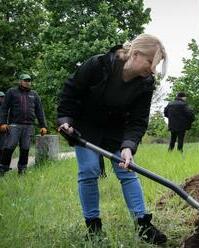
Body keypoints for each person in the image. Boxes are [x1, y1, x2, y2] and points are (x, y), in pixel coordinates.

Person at [57, 34, 168, 244]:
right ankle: (94, 227)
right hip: (86, 127)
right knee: (89, 170)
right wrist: (65, 119)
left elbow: (138, 120)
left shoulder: (146, 83)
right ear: (135, 54)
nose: (152, 69)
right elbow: (70, 92)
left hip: (117, 131)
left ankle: (143, 224)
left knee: (127, 171)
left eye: (156, 65)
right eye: (150, 63)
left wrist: (128, 146)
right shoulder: (98, 65)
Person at [0, 74, 47, 176]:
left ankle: (22, 170)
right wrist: (3, 123)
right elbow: (4, 108)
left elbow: (40, 111)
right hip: (14, 125)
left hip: (29, 126)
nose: (28, 82)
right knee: (9, 146)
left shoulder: (34, 94)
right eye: (25, 80)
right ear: (20, 81)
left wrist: (43, 126)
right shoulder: (11, 92)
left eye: (29, 80)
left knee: (25, 148)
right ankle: (3, 168)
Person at [0, 91, 5, 161]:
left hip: (3, 130)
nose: (2, 99)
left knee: (3, 147)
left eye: (3, 97)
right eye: (1, 97)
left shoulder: (5, 107)